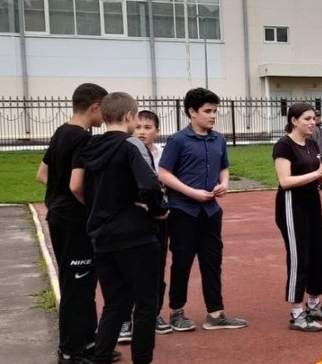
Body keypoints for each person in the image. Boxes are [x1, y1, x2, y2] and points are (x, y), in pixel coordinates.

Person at [70, 92, 167, 364]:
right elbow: (150, 185)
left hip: (101, 235)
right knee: (146, 304)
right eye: (136, 119)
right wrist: (160, 211)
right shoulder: (132, 145)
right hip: (136, 236)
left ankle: (100, 357)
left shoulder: (87, 146)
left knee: (114, 303)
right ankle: (142, 359)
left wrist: (98, 207)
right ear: (128, 117)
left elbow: (75, 186)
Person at [36, 83, 116, 364]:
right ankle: (71, 351)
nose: (104, 116)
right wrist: (92, 208)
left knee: (82, 282)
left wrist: (59, 199)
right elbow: (76, 186)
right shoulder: (82, 139)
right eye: (103, 109)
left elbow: (42, 174)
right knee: (77, 285)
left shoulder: (61, 132)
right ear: (95, 106)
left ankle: (88, 341)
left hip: (61, 217)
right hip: (73, 222)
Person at [158, 88, 248, 331]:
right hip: (182, 211)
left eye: (215, 111)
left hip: (211, 212)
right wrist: (191, 192)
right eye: (207, 111)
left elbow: (224, 168)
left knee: (212, 261)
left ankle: (215, 314)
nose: (213, 116)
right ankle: (177, 312)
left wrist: (225, 184)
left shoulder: (218, 139)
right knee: (182, 262)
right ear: (191, 112)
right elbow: (164, 173)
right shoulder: (177, 140)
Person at [273, 103, 322, 332]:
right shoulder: (284, 145)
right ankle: (297, 312)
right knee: (299, 256)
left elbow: (316, 179)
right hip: (292, 205)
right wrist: (317, 173)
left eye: (314, 119)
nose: (313, 122)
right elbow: (285, 181)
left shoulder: (311, 143)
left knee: (319, 254)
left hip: (312, 202)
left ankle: (313, 304)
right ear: (294, 120)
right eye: (308, 119)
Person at [118, 111, 173, 344]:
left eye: (148, 127)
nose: (142, 131)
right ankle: (124, 318)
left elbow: (169, 180)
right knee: (129, 270)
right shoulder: (126, 151)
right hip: (133, 219)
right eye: (138, 126)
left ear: (157, 131)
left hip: (159, 218)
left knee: (157, 267)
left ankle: (155, 313)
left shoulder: (164, 155)